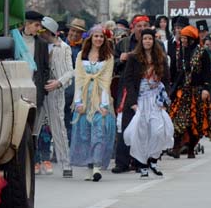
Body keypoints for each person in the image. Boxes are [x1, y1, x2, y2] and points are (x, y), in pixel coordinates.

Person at [122, 28, 174, 178]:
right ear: (141, 40)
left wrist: (165, 100)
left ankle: (153, 159)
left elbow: (166, 80)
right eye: (145, 38)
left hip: (156, 100)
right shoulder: (133, 58)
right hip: (140, 100)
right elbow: (128, 80)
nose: (147, 41)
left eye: (150, 39)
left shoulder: (161, 58)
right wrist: (132, 102)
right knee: (141, 132)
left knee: (159, 131)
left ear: (153, 40)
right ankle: (142, 164)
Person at [69, 25, 115, 181]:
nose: (99, 39)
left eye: (101, 36)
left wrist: (104, 105)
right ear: (90, 38)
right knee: (85, 134)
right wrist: (77, 102)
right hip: (84, 97)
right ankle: (89, 166)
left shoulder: (108, 57)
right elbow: (79, 79)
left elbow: (106, 82)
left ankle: (97, 166)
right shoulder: (81, 55)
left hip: (100, 98)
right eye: (96, 36)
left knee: (99, 132)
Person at [35, 17, 74, 178]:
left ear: (48, 31)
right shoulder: (38, 45)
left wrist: (58, 82)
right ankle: (32, 161)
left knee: (58, 129)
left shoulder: (63, 48)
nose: (39, 32)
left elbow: (70, 71)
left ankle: (66, 164)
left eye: (41, 29)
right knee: (33, 129)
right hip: (38, 90)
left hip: (55, 93)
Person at [168, 25, 211, 158]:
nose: (182, 40)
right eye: (181, 38)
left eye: (185, 38)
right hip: (183, 91)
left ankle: (191, 149)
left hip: (197, 91)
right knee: (178, 119)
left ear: (191, 39)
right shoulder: (180, 52)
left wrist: (206, 88)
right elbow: (176, 71)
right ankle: (176, 148)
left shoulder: (202, 52)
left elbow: (207, 72)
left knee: (196, 122)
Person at [112, 15, 150, 174]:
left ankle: (141, 161)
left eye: (144, 26)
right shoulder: (123, 43)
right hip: (126, 88)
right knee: (123, 123)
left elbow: (162, 64)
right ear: (133, 28)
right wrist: (120, 59)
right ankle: (122, 162)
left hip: (147, 88)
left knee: (144, 124)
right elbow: (112, 63)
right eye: (138, 26)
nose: (142, 29)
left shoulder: (154, 43)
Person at [20, 11, 51, 173]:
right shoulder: (14, 39)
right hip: (18, 90)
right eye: (36, 25)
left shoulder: (42, 44)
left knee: (34, 129)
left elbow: (45, 68)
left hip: (35, 90)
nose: (39, 29)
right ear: (27, 23)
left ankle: (32, 162)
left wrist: (42, 89)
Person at [63, 17, 87, 138]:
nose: (75, 34)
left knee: (74, 121)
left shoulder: (85, 48)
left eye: (78, 32)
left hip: (78, 90)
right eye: (73, 30)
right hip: (62, 88)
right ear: (69, 30)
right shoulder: (60, 44)